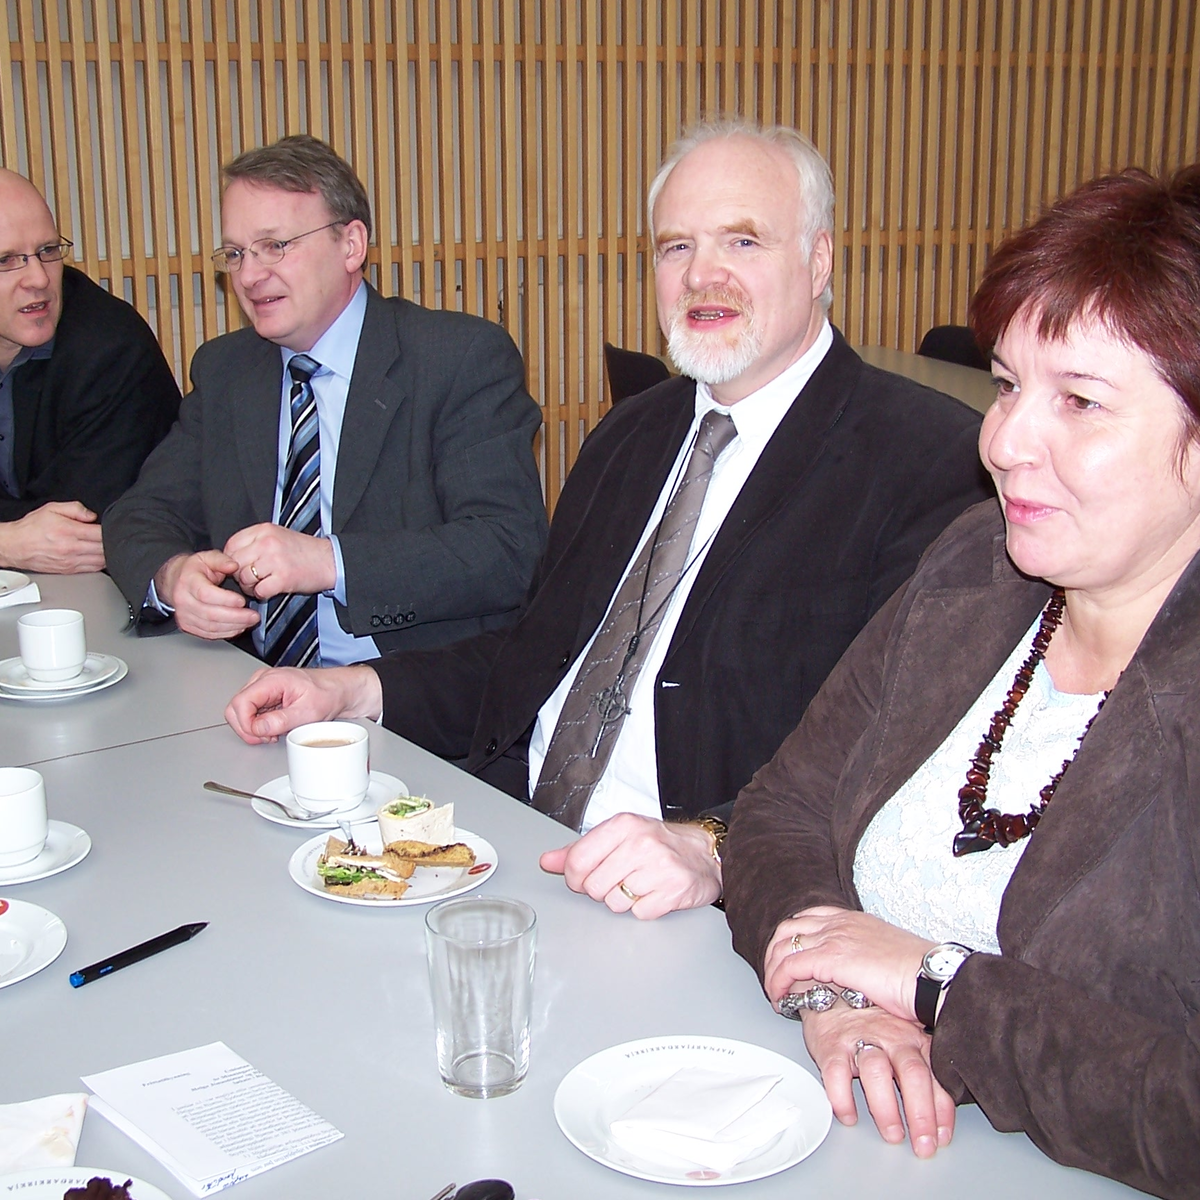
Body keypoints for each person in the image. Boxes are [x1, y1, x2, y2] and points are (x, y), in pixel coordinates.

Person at [225, 119, 990, 915]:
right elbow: (533, 657)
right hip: (511, 840)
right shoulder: (630, 435)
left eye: (742, 241)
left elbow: (900, 750)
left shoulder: (925, 462)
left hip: (687, 901)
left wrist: (715, 843)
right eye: (676, 247)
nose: (703, 276)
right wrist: (352, 691)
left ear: (819, 259)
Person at [721, 165, 1200, 1197]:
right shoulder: (977, 565)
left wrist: (937, 987)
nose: (1002, 442)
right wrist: (835, 996)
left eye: (1081, 401)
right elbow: (779, 812)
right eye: (1008, 384)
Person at [104, 135, 546, 666]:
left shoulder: (457, 359)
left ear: (351, 245)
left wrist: (328, 562)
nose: (249, 276)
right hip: (248, 679)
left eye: (275, 246)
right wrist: (173, 576)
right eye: (236, 254)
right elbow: (141, 513)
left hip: (401, 689)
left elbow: (508, 549)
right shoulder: (226, 370)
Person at [0, 169, 181, 574]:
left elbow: (76, 531)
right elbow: (29, 540)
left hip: (111, 588)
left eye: (48, 250)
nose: (39, 278)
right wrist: (8, 543)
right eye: (6, 260)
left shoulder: (111, 348)